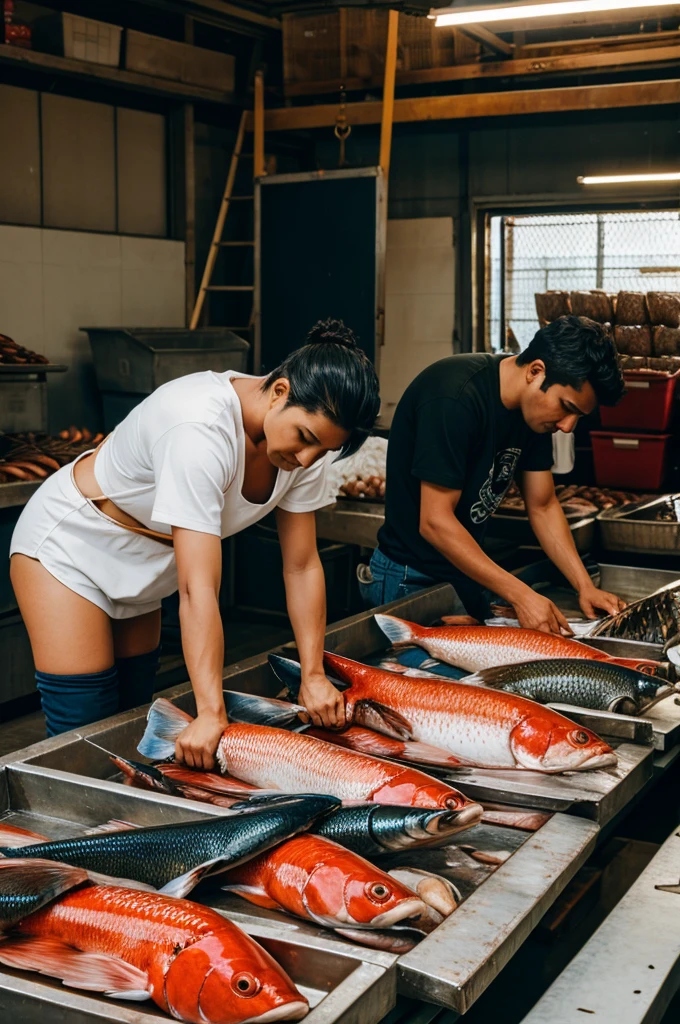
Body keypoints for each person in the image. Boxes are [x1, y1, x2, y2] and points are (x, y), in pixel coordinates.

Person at [11, 319, 380, 767]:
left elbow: (301, 565)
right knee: (85, 732)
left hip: (150, 562)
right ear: (280, 390)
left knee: (131, 720)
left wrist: (314, 674)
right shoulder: (199, 426)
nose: (306, 459)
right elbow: (198, 588)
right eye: (305, 438)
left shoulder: (304, 451)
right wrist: (210, 712)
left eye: (322, 451)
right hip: (74, 546)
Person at [361, 315, 626, 633]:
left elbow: (542, 506)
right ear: (536, 371)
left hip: (464, 574)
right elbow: (435, 522)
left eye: (578, 416)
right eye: (566, 407)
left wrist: (585, 585)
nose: (568, 426)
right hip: (409, 577)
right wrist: (521, 595)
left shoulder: (535, 414)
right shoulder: (455, 396)